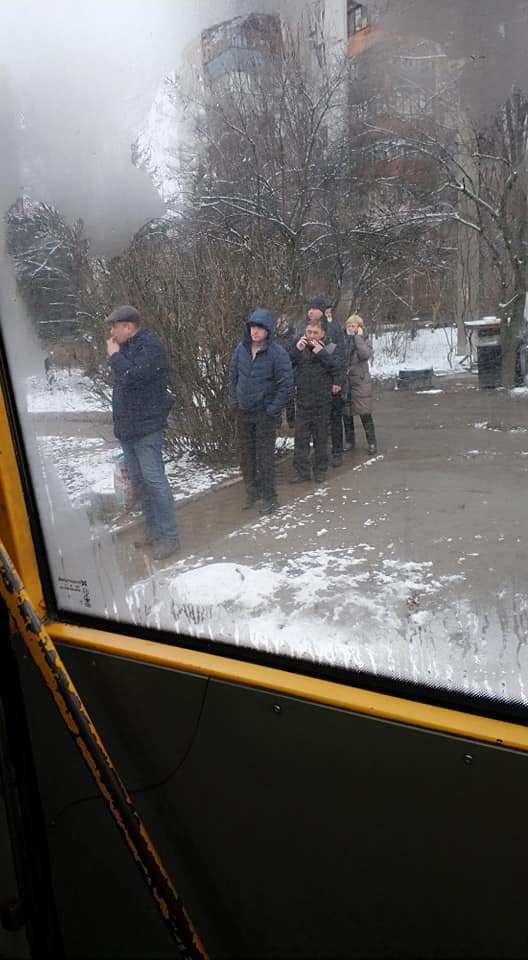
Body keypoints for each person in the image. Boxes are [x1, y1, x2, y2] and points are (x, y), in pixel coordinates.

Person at [105, 305, 180, 561]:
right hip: (128, 430)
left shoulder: (149, 346)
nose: (112, 332)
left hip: (146, 429)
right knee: (140, 483)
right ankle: (153, 530)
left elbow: (137, 375)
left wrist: (115, 357)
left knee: (155, 482)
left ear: (128, 326)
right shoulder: (126, 348)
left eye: (115, 326)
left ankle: (170, 536)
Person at [228, 308, 293, 516]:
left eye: (260, 328)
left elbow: (286, 385)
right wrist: (234, 400)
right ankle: (252, 491)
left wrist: (272, 409)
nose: (255, 332)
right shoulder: (241, 349)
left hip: (265, 413)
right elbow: (233, 376)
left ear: (268, 330)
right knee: (246, 455)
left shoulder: (277, 353)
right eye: (252, 327)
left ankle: (269, 497)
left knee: (265, 457)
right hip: (244, 411)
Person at [289, 314, 343, 484]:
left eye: (315, 332)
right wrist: (297, 350)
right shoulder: (300, 348)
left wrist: (321, 353)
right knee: (301, 439)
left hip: (322, 401)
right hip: (303, 400)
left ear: (322, 334)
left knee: (320, 439)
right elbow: (288, 364)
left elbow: (337, 368)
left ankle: (320, 469)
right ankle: (301, 472)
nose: (311, 336)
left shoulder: (329, 348)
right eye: (308, 332)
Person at [342, 314, 377, 455]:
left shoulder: (365, 339)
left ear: (360, 328)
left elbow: (365, 354)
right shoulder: (342, 339)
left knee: (365, 413)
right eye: (349, 325)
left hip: (360, 381)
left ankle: (372, 442)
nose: (351, 328)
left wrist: (358, 338)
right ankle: (350, 441)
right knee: (346, 413)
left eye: (354, 326)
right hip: (346, 381)